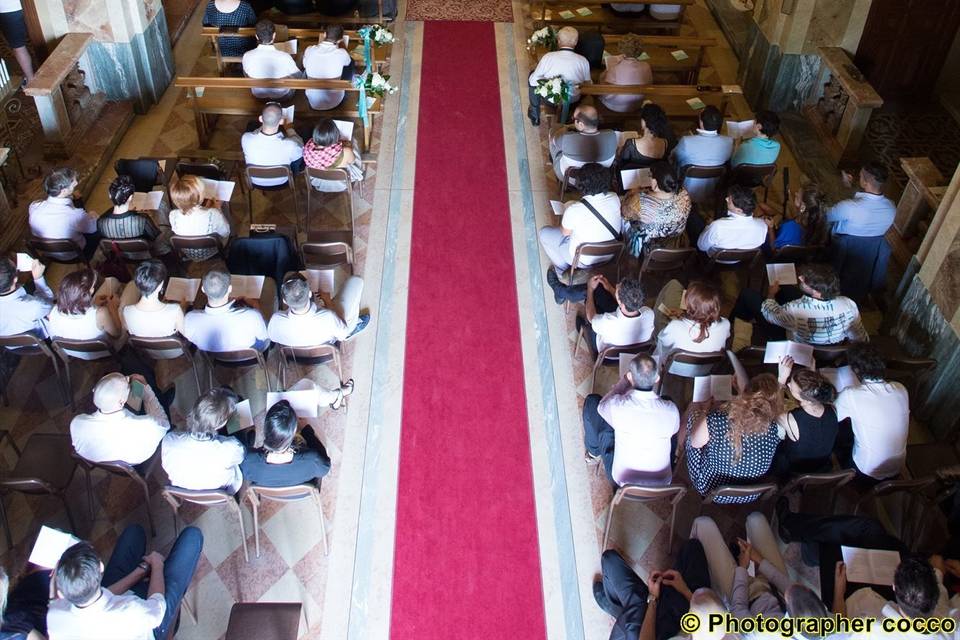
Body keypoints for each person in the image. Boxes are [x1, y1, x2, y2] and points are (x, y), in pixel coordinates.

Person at [46, 524, 202, 640]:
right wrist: (157, 564)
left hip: (118, 605)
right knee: (193, 537)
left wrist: (141, 571)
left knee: (134, 533)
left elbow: (104, 597)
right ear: (100, 567)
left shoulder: (54, 616)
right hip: (150, 623)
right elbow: (157, 607)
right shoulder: (131, 612)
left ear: (61, 592)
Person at [582, 354, 679, 486]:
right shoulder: (671, 410)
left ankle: (594, 453)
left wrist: (621, 385)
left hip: (622, 479)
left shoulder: (617, 405)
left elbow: (601, 408)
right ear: (657, 378)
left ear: (629, 377)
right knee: (669, 413)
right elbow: (674, 431)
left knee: (592, 402)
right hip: (661, 481)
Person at [685, 373, 783, 502]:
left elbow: (695, 443)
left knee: (694, 420)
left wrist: (704, 412)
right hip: (750, 494)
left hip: (711, 489)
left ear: (747, 396)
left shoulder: (716, 419)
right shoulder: (777, 429)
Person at [593, 542, 712, 640]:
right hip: (684, 616)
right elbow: (710, 622)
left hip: (646, 633)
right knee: (692, 548)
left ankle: (617, 609)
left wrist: (653, 599)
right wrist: (684, 589)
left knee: (609, 560)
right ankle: (626, 610)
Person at [689, 513, 790, 618]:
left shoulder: (757, 633)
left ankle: (691, 555)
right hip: (778, 592)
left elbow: (738, 610)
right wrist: (760, 560)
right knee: (756, 519)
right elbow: (790, 588)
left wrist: (742, 568)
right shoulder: (805, 619)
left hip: (742, 602)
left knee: (703, 524)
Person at [836, 554, 960, 639]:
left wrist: (838, 593)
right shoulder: (953, 622)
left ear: (894, 586)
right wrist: (938, 571)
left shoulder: (870, 630)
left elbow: (835, 632)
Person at [835, 343, 909, 482]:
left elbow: (833, 417)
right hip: (898, 468)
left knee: (839, 428)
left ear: (855, 370)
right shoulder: (901, 388)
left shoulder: (851, 394)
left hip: (865, 472)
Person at [827, 162, 896, 300]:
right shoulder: (891, 208)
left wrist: (843, 190)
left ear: (865, 182)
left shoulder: (849, 206)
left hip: (840, 251)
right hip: (869, 255)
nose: (858, 178)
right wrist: (852, 189)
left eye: (860, 176)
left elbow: (828, 215)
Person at [70, 372, 170, 467]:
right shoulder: (147, 425)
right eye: (128, 387)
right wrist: (147, 392)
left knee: (136, 385)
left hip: (104, 460)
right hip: (135, 459)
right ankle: (163, 398)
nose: (128, 381)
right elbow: (164, 423)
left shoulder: (76, 423)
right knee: (145, 385)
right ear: (121, 403)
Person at [540, 163, 621, 275]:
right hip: (609, 254)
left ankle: (562, 271)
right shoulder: (614, 198)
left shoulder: (574, 209)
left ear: (580, 185)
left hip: (582, 259)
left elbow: (565, 233)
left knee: (544, 233)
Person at [161, 388, 246, 493]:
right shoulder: (232, 448)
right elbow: (241, 457)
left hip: (184, 489)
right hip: (223, 489)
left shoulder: (169, 440)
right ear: (221, 424)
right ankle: (247, 436)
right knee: (241, 409)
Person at [761, 262, 868, 344]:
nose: (800, 278)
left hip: (800, 348)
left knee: (749, 296)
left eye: (805, 280)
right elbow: (859, 336)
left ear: (817, 292)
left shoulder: (795, 309)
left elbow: (770, 315)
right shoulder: (848, 303)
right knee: (788, 290)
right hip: (833, 351)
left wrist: (771, 295)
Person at [241, 398, 332, 487]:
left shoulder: (249, 461)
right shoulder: (313, 460)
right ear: (294, 432)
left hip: (273, 492)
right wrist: (306, 430)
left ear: (265, 430)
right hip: (300, 489)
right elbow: (325, 468)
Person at [772, 357, 839, 476]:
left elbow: (773, 410)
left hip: (796, 470)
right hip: (823, 465)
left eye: (791, 386)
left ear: (805, 399)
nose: (788, 385)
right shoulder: (832, 409)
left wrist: (781, 380)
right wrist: (811, 374)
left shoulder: (791, 419)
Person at [268, 273, 368, 347]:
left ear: (285, 301)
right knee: (356, 281)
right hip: (328, 341)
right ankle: (355, 324)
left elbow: (272, 337)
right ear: (310, 294)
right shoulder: (329, 317)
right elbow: (343, 334)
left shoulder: (275, 320)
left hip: (297, 353)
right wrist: (328, 301)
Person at [183, 269, 270, 353]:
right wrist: (255, 305)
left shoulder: (190, 318)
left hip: (214, 356)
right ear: (230, 289)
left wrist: (182, 307)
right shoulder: (252, 316)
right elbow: (264, 336)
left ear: (203, 290)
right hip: (250, 354)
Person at [45, 268, 124, 357]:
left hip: (73, 352)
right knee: (131, 286)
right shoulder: (100, 313)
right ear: (89, 292)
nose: (93, 289)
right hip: (106, 351)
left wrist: (93, 304)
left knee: (111, 282)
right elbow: (117, 333)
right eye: (92, 288)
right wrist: (112, 307)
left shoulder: (53, 312)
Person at [621, 161, 691, 258]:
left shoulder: (640, 202)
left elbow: (625, 213)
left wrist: (633, 192)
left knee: (623, 218)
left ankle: (632, 255)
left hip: (650, 247)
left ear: (655, 184)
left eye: (650, 176)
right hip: (675, 241)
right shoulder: (684, 193)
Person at [28, 167, 98, 260]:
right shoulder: (76, 215)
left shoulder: (34, 207)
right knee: (98, 227)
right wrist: (93, 216)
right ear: (64, 191)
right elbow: (93, 229)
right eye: (72, 183)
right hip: (74, 254)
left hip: (49, 252)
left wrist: (71, 196)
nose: (76, 183)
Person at [527, 26, 591, 126]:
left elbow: (533, 81)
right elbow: (588, 83)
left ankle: (535, 115)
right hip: (572, 100)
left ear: (559, 41)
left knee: (532, 76)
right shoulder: (583, 60)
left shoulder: (549, 57)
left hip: (551, 100)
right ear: (576, 42)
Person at [653, 280, 730, 363]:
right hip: (706, 369)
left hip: (672, 367)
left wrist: (681, 320)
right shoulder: (725, 324)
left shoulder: (674, 326)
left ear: (690, 309)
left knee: (673, 285)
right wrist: (683, 315)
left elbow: (662, 344)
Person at [671, 106, 733, 205]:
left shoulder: (687, 141)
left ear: (701, 122)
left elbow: (673, 157)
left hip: (686, 190)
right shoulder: (728, 141)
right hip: (713, 191)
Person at [578, 276, 653, 356]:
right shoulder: (649, 313)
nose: (616, 285)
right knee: (601, 292)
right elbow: (623, 302)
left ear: (621, 303)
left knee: (580, 320)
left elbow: (591, 317)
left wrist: (590, 289)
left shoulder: (607, 322)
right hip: (632, 352)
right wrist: (609, 288)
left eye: (617, 289)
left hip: (606, 355)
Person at [241, 102, 305, 188]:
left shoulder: (246, 138)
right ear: (281, 121)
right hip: (283, 182)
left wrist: (266, 122)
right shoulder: (291, 145)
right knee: (297, 155)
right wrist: (289, 128)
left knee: (251, 125)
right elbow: (301, 147)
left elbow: (255, 132)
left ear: (260, 119)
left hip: (255, 182)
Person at [168, 175, 231, 261]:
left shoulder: (173, 215)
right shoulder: (214, 214)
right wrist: (218, 208)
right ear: (201, 197)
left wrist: (208, 208)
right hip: (211, 250)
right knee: (225, 209)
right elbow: (226, 232)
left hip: (188, 251)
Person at [96, 175, 163, 254]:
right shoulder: (142, 220)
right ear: (130, 197)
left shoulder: (100, 222)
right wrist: (153, 217)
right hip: (144, 255)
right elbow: (155, 237)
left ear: (110, 195)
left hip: (122, 257)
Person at [695, 185, 767, 258]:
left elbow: (702, 247)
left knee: (693, 218)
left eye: (729, 200)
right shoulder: (763, 225)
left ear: (739, 210)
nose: (726, 199)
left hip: (715, 260)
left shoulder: (717, 226)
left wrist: (708, 226)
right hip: (742, 261)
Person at [549, 105, 618, 181]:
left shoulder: (568, 138)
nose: (573, 120)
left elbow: (553, 139)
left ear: (581, 124)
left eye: (573, 118)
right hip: (600, 178)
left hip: (571, 180)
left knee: (553, 131)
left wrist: (566, 127)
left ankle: (552, 160)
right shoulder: (611, 134)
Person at [122, 259, 185, 340]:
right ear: (160, 286)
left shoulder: (126, 311)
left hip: (145, 351)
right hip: (175, 352)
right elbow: (185, 333)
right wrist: (183, 307)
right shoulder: (175, 310)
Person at [241, 19, 303, 100]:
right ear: (274, 35)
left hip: (258, 95)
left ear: (256, 36)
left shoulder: (247, 55)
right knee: (299, 59)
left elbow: (246, 75)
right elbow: (298, 76)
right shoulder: (284, 57)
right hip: (282, 96)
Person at [761, 183, 829, 253]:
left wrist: (771, 227)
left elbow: (774, 251)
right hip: (799, 259)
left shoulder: (790, 227)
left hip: (774, 258)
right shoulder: (819, 224)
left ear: (803, 207)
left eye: (797, 196)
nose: (796, 193)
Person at [302, 118, 364, 191]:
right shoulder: (346, 151)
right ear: (336, 136)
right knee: (354, 142)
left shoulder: (306, 150)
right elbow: (353, 161)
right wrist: (350, 146)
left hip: (319, 183)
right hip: (341, 184)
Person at [303, 25, 354, 110]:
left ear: (324, 34)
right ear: (340, 40)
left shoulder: (310, 49)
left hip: (313, 101)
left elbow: (304, 65)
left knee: (307, 67)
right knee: (350, 62)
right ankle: (346, 86)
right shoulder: (341, 53)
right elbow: (348, 62)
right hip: (335, 101)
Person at [0, 256, 53, 338]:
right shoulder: (34, 306)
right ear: (15, 279)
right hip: (39, 345)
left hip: (9, 347)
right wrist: (38, 279)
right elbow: (49, 306)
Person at [599, 33, 652, 113]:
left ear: (622, 49)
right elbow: (649, 84)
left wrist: (604, 73)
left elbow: (605, 90)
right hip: (636, 103)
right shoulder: (646, 66)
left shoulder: (615, 68)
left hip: (616, 105)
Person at [618, 103, 675, 170]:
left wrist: (619, 151)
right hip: (655, 177)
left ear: (644, 122)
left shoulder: (630, 144)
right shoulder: (666, 143)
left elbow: (622, 165)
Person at [0, 1, 34, 83]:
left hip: (8, 9)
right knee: (41, 38)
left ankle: (30, 79)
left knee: (19, 47)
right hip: (31, 5)